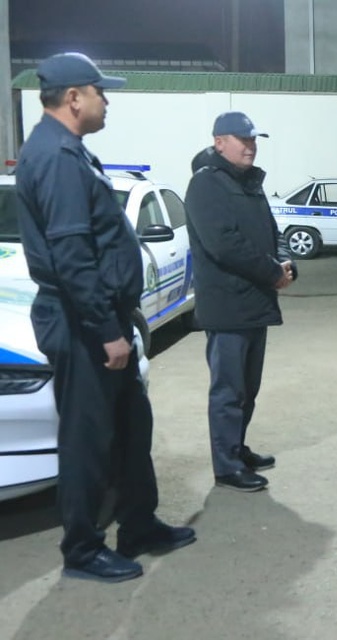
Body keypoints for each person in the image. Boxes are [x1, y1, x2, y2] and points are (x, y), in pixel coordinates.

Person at [15, 52, 194, 583]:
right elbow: (72, 257)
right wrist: (107, 331)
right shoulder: (56, 157)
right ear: (74, 98)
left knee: (132, 427)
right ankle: (81, 549)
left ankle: (138, 524)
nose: (107, 100)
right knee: (87, 441)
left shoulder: (69, 150)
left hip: (100, 317)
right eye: (100, 91)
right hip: (82, 322)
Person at [187, 111, 293, 492]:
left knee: (248, 388)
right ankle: (227, 466)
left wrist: (286, 262)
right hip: (227, 306)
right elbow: (224, 244)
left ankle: (237, 447)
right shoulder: (206, 185)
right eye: (243, 139)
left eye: (253, 140)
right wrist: (271, 272)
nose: (251, 146)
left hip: (254, 303)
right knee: (228, 391)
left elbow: (272, 231)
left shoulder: (249, 183)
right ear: (219, 142)